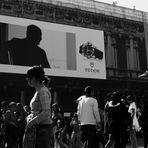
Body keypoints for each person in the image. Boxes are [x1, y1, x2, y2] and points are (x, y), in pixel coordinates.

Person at [23, 65, 53, 148]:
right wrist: (30, 117)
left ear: (36, 77)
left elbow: (46, 112)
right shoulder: (39, 91)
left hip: (43, 130)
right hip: (39, 129)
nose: (27, 79)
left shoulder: (43, 91)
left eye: (30, 77)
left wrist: (32, 122)